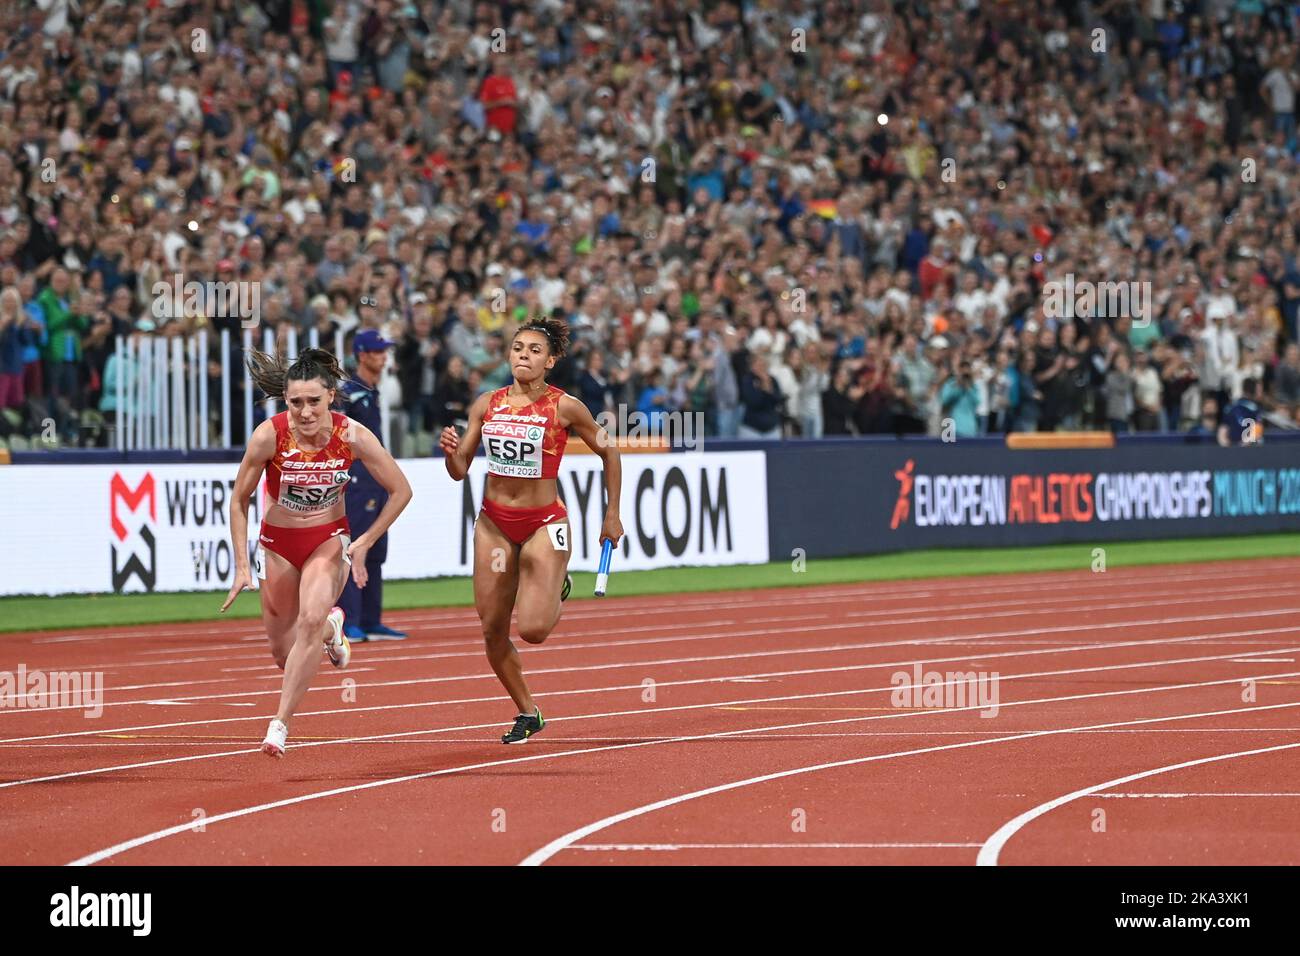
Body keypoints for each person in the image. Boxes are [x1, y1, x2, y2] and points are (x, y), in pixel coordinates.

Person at [439, 318, 623, 744]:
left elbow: (610, 452)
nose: (524, 354)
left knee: (534, 631)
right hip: (493, 524)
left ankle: (556, 581)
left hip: (543, 522)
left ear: (550, 361)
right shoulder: (486, 404)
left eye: (534, 350)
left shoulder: (565, 406)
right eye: (518, 347)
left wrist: (611, 515)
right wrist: (451, 453)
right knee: (491, 629)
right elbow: (459, 470)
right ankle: (528, 711)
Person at [222, 347, 412, 757]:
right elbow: (239, 500)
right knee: (282, 653)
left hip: (328, 540)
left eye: (313, 401)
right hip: (278, 545)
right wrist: (241, 566)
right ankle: (333, 628)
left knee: (309, 617)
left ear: (330, 396)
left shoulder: (353, 436)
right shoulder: (269, 435)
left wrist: (364, 541)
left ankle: (280, 725)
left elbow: (401, 490)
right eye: (295, 403)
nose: (305, 412)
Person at [337, 329, 408, 643]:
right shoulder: (348, 392)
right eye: (379, 352)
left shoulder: (372, 391)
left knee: (376, 549)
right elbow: (336, 434)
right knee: (356, 547)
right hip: (358, 479)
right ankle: (349, 619)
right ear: (362, 355)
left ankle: (370, 618)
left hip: (376, 477)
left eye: (385, 351)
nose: (384, 356)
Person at [1218, 377, 1263, 446]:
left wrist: (1226, 445)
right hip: (1249, 449)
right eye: (1259, 390)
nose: (1261, 393)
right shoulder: (1255, 408)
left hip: (1232, 449)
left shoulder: (1230, 406)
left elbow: (1222, 432)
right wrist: (1243, 445)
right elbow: (1257, 429)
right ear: (1252, 390)